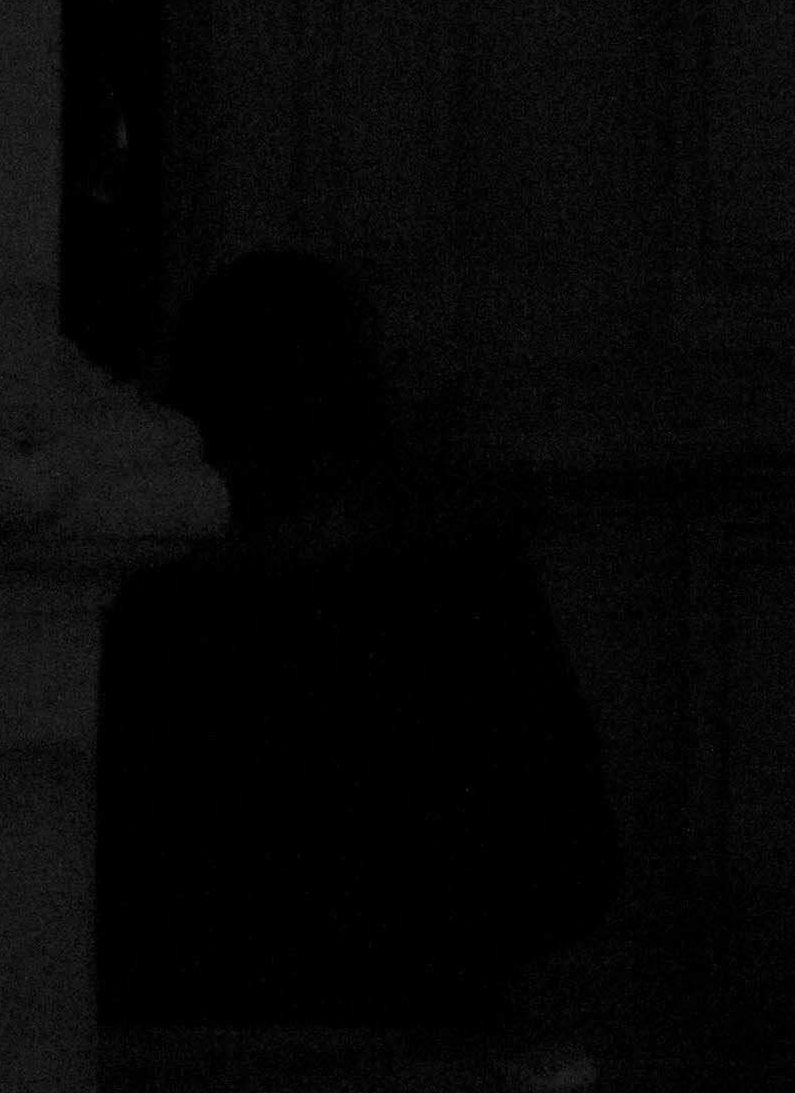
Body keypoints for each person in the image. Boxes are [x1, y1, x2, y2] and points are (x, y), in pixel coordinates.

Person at [98, 253, 621, 1029]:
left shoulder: (141, 598)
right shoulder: (458, 585)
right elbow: (564, 857)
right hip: (417, 1017)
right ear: (368, 388)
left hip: (190, 1027)